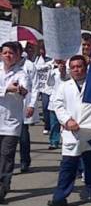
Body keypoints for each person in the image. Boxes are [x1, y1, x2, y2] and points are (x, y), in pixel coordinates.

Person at [48, 55, 91, 206]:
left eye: (80, 66)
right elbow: (58, 106)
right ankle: (59, 198)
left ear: (85, 67)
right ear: (69, 69)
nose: (76, 70)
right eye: (73, 67)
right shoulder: (64, 86)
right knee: (68, 167)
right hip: (71, 132)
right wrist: (67, 120)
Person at [0, 42, 29, 203]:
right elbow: (7, 89)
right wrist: (6, 89)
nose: (8, 56)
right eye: (5, 53)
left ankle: (3, 187)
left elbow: (24, 88)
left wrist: (20, 90)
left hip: (11, 124)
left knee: (6, 156)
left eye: (12, 53)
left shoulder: (21, 73)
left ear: (18, 56)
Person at [16, 42, 40, 173]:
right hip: (8, 108)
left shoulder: (29, 66)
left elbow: (36, 87)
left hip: (24, 104)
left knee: (23, 135)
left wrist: (32, 105)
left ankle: (25, 161)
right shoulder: (5, 66)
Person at [47, 59, 69, 149]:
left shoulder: (70, 71)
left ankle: (66, 142)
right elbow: (49, 83)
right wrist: (52, 72)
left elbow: (65, 79)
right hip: (54, 101)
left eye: (63, 62)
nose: (62, 64)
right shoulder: (53, 71)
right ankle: (54, 141)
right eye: (60, 63)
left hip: (66, 102)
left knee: (65, 123)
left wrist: (63, 72)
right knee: (54, 124)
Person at [34, 44, 53, 135]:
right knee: (45, 107)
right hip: (42, 88)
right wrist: (45, 66)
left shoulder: (53, 59)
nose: (42, 52)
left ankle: (53, 127)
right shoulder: (38, 59)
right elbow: (35, 69)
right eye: (41, 50)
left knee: (52, 109)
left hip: (52, 87)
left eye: (44, 50)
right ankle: (47, 126)